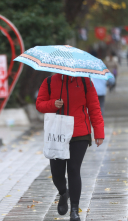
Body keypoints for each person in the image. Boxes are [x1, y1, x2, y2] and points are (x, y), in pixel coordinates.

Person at [36, 74, 104, 221]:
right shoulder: (48, 81)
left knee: (73, 169)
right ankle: (63, 192)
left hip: (79, 133)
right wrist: (53, 104)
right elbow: (39, 104)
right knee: (57, 173)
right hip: (57, 133)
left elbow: (94, 107)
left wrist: (99, 131)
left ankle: (74, 210)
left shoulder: (85, 82)